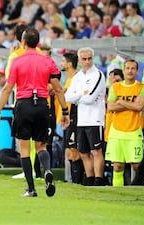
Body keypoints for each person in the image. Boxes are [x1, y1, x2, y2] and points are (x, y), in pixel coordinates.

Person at [0, 28, 70, 197]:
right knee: (41, 146)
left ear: (23, 42)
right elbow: (58, 89)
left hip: (23, 104)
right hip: (42, 104)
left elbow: (7, 88)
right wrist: (65, 110)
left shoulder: (17, 61)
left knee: (25, 148)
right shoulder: (47, 61)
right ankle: (47, 170)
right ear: (38, 43)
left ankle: (31, 188)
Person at [65, 47, 106, 186]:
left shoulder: (98, 75)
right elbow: (67, 96)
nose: (87, 62)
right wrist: (82, 95)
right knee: (83, 152)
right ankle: (89, 179)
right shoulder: (77, 77)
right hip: (81, 120)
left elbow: (90, 98)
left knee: (96, 151)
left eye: (89, 58)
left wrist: (78, 97)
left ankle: (99, 180)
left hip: (95, 119)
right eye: (84, 59)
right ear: (79, 60)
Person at [106, 59, 144, 186]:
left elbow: (139, 107)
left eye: (133, 68)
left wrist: (121, 102)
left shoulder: (142, 88)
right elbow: (111, 107)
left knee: (138, 166)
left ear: (137, 71)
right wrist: (131, 105)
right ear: (124, 70)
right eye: (127, 68)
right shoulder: (115, 87)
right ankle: (118, 194)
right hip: (116, 131)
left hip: (134, 131)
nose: (130, 71)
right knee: (117, 166)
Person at [60, 52, 84, 184]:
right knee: (69, 153)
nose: (61, 64)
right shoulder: (69, 79)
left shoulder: (77, 78)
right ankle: (72, 181)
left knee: (75, 153)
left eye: (63, 61)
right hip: (68, 120)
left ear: (69, 64)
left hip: (75, 119)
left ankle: (78, 183)